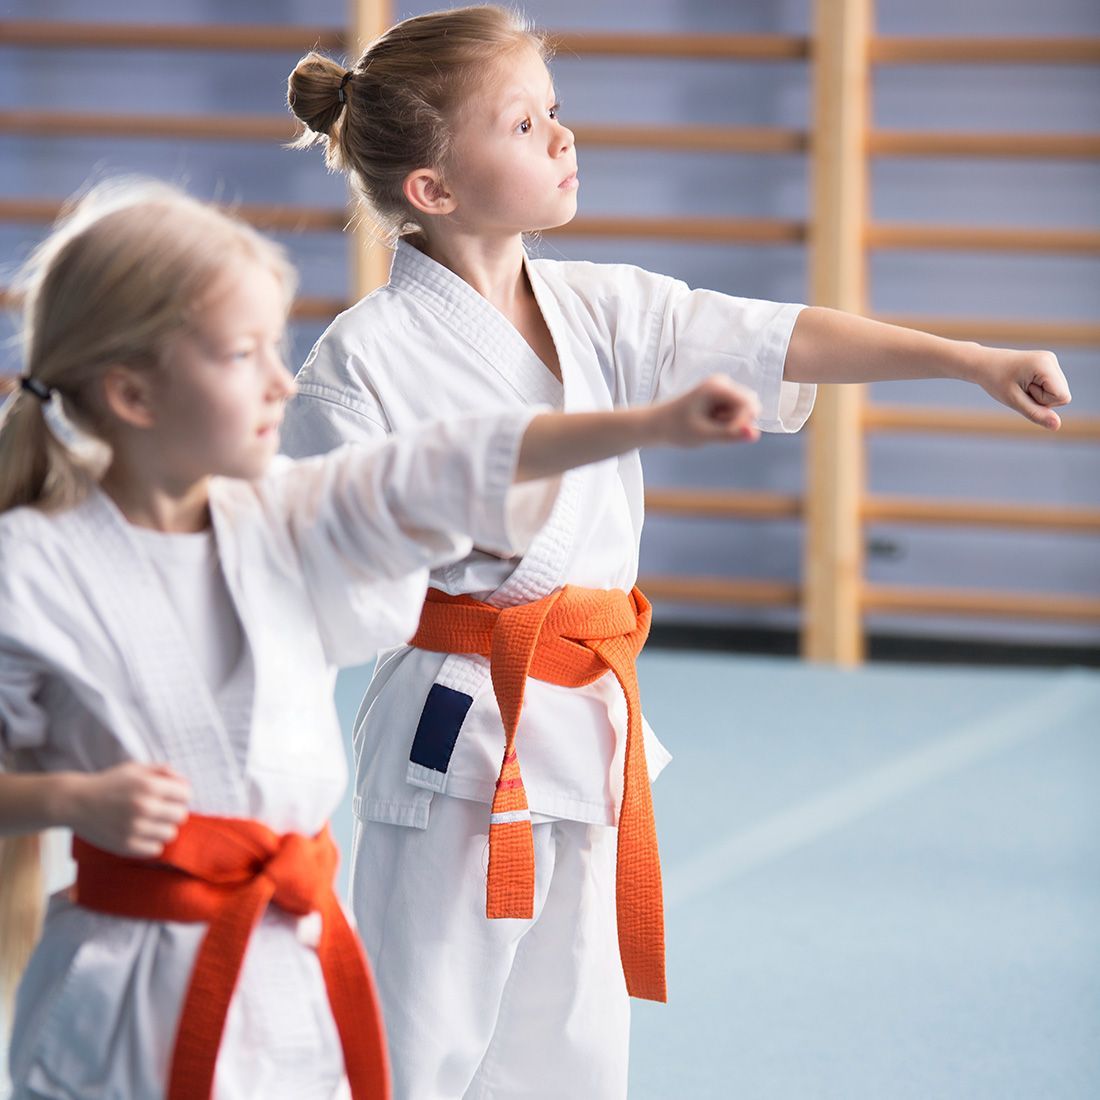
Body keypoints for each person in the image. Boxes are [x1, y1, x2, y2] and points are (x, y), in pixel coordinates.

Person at [283, 7, 1072, 1097]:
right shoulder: (357, 364)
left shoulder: (597, 305)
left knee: (571, 1041)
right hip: (457, 732)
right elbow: (333, 569)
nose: (561, 137)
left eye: (554, 113)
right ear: (432, 189)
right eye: (522, 124)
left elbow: (777, 332)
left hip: (589, 722)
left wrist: (965, 359)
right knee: (412, 1043)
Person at [0, 178, 764, 1100]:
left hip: (288, 979)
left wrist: (648, 423)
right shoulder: (30, 568)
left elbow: (425, 472)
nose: (282, 382)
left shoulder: (280, 519)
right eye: (242, 354)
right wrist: (71, 798)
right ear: (131, 392)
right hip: (127, 992)